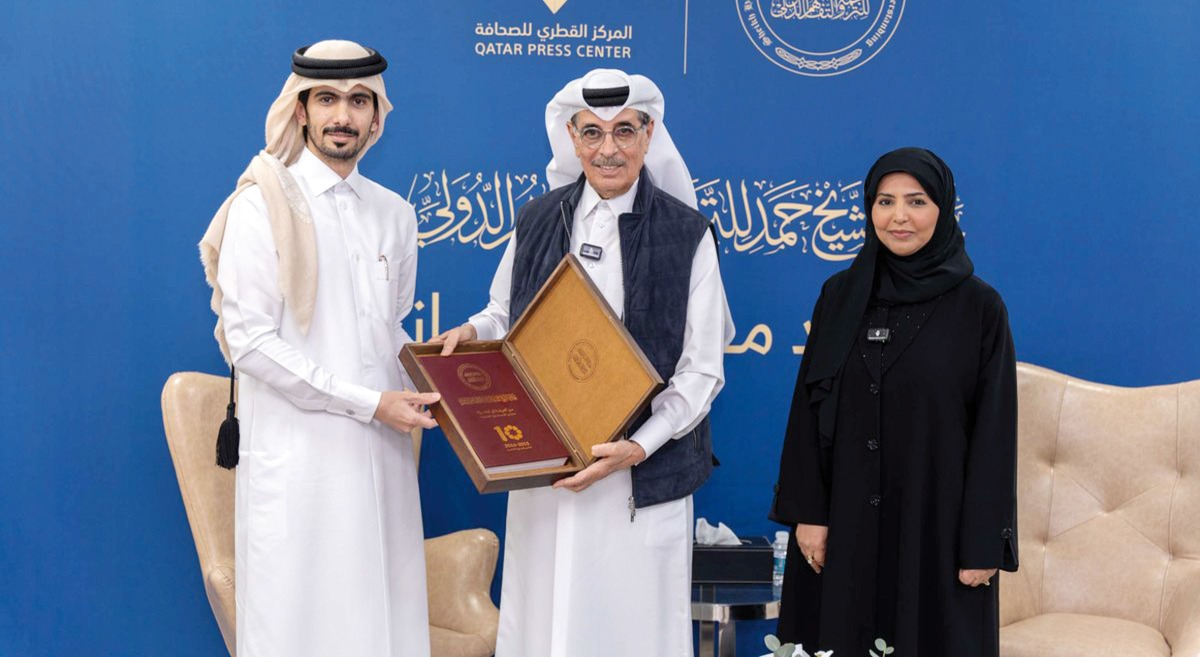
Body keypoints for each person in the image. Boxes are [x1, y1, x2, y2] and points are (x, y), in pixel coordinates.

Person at [433, 68, 735, 657]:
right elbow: (505, 312)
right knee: (543, 624)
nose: (609, 149)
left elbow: (702, 370)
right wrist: (471, 332)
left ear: (649, 135)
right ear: (571, 138)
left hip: (638, 478)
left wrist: (639, 446)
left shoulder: (687, 234)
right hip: (546, 467)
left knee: (630, 629)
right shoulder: (539, 218)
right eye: (591, 133)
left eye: (624, 131)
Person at [199, 40, 439, 657]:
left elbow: (388, 330)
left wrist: (446, 372)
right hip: (301, 464)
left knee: (383, 624)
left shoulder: (395, 214)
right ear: (300, 109)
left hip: (382, 461)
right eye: (327, 99)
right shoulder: (261, 205)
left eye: (359, 101)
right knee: (304, 629)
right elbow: (250, 341)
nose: (343, 115)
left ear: (377, 117)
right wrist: (368, 402)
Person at [771, 147, 1018, 656]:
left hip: (937, 532)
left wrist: (982, 544)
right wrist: (809, 516)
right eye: (884, 201)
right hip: (843, 527)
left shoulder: (979, 308)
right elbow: (807, 412)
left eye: (916, 201)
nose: (898, 216)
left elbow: (995, 433)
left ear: (943, 209)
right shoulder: (839, 297)